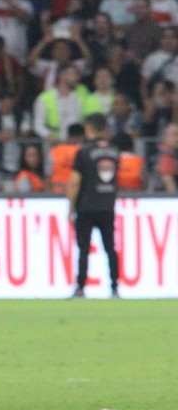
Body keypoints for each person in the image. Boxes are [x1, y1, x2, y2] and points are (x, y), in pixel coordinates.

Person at [69, 113, 121, 298]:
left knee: (84, 248)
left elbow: (75, 181)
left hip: (86, 206)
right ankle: (114, 288)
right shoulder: (115, 151)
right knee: (110, 248)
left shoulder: (83, 152)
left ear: (88, 128)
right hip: (107, 206)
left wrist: (70, 207)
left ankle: (80, 288)